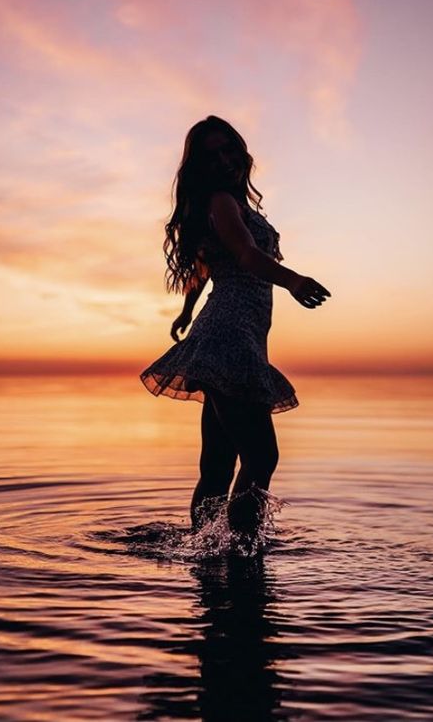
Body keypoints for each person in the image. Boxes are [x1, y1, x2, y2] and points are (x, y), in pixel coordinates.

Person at [139, 116, 330, 545]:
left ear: (241, 151)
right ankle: (242, 550)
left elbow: (205, 265)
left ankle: (206, 550)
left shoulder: (230, 205)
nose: (225, 160)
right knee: (262, 455)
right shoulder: (222, 201)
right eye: (213, 155)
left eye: (230, 149)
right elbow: (244, 253)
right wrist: (294, 280)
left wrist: (187, 310)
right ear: (201, 166)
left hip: (232, 334)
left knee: (219, 463)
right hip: (229, 336)